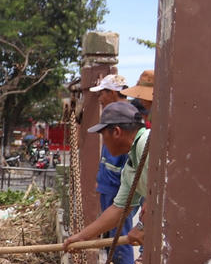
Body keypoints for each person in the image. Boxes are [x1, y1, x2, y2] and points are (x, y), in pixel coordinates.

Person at [63, 101, 149, 255]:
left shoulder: (146, 144)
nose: (103, 142)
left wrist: (143, 226)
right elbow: (119, 209)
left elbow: (166, 194)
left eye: (103, 135)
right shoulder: (131, 165)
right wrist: (82, 237)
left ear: (116, 132)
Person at [88, 74, 136, 264]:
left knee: (121, 234)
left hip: (120, 189)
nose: (100, 98)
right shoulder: (116, 121)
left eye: (103, 92)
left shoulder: (126, 123)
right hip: (112, 187)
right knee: (113, 234)